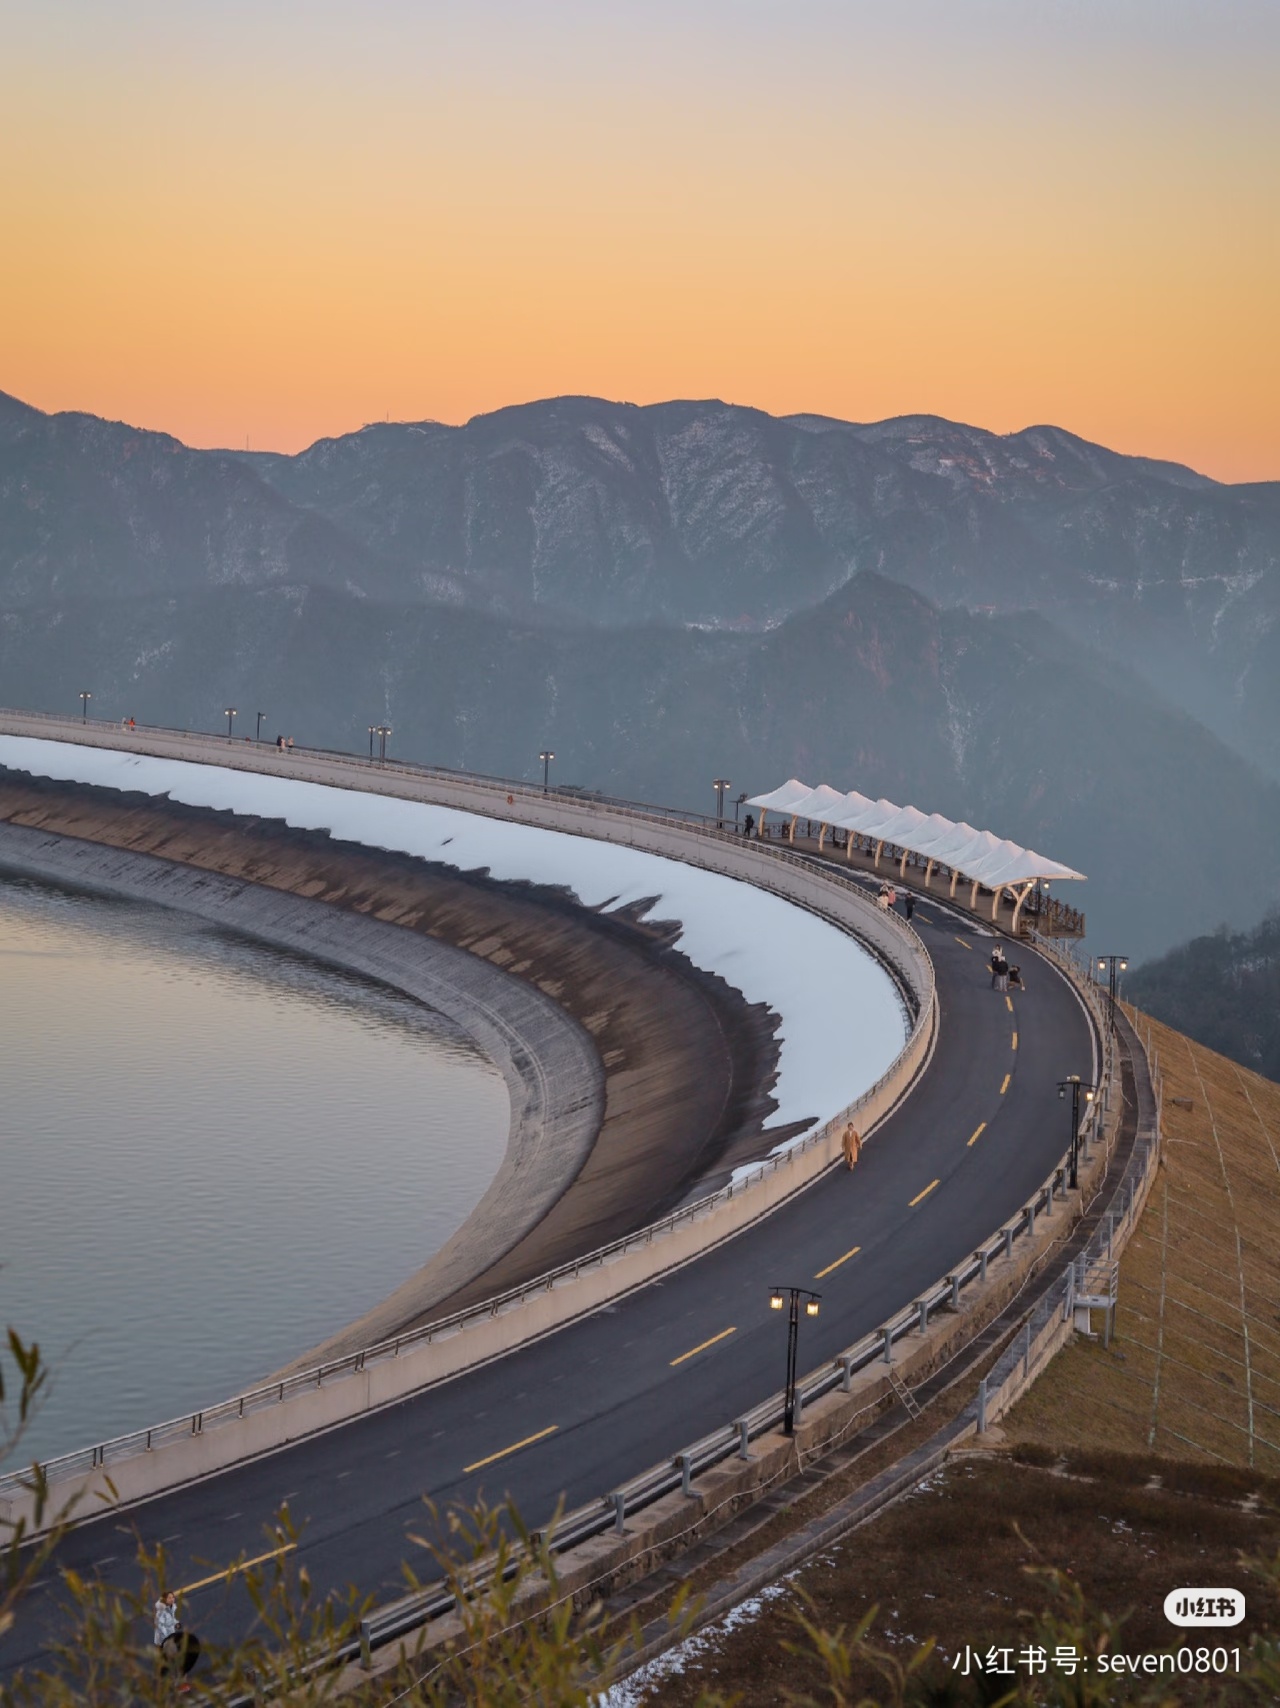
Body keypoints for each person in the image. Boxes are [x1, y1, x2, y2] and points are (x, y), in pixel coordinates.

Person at [154, 1591, 199, 1690]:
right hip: (167, 1640)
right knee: (172, 1657)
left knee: (173, 1657)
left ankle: (177, 1680)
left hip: (170, 1639)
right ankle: (178, 1681)